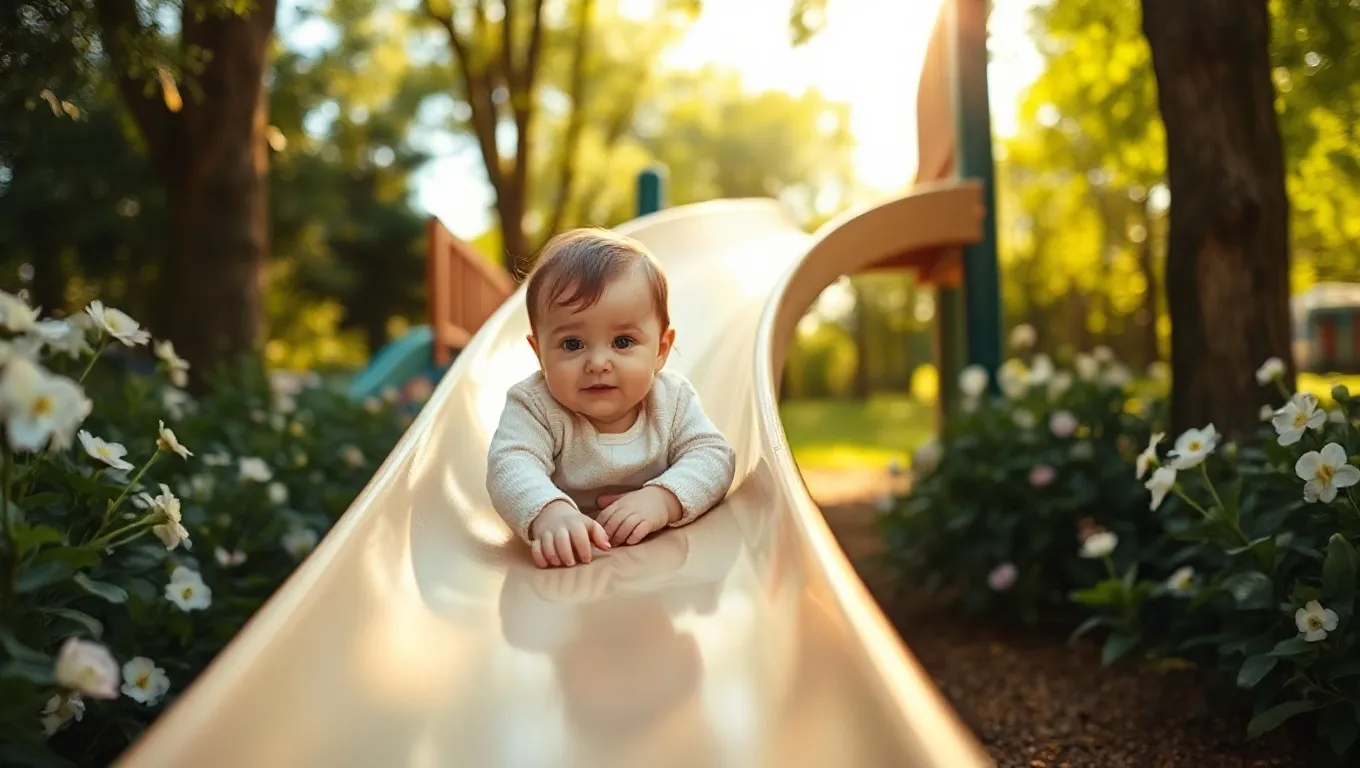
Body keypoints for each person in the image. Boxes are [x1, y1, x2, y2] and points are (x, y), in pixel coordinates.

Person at [485, 228, 737, 569]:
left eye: (622, 342)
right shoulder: (535, 405)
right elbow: (510, 464)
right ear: (540, 353)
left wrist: (663, 499)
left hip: (662, 565)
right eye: (572, 344)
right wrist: (548, 512)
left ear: (660, 350)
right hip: (571, 572)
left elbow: (714, 456)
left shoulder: (671, 399)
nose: (598, 364)